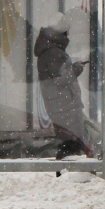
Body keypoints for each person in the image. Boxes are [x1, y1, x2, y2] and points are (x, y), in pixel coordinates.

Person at [35, 25, 92, 158]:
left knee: (69, 142)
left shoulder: (49, 51)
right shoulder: (53, 52)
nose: (68, 37)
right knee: (70, 143)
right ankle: (67, 173)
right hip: (64, 105)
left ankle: (67, 171)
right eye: (66, 33)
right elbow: (61, 79)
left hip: (61, 105)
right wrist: (77, 67)